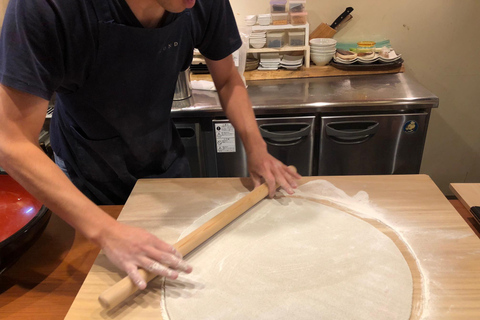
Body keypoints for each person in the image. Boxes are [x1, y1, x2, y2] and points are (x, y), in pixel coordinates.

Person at [0, 0, 301, 289]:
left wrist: (257, 150)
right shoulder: (48, 6)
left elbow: (227, 79)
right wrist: (108, 232)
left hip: (162, 162)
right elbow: (11, 141)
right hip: (85, 181)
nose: (196, 4)